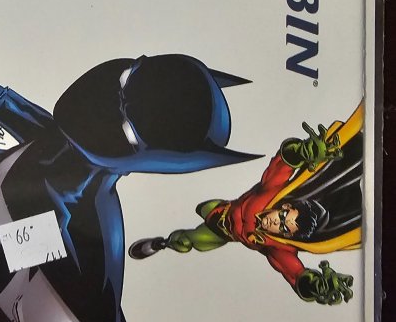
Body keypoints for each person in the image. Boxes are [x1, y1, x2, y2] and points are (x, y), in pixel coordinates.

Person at [0, 34, 260, 322]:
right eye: (127, 77)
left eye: (129, 122)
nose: (110, 99)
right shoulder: (64, 148)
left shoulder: (74, 219)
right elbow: (38, 129)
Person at [130, 106, 362, 306]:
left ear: (287, 235)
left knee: (187, 241)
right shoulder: (272, 191)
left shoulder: (277, 247)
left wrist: (314, 286)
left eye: (283, 227)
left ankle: (162, 243)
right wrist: (302, 151)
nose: (276, 221)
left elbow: (294, 273)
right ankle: (167, 241)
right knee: (203, 210)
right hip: (220, 210)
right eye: (283, 216)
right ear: (285, 207)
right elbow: (282, 162)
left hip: (220, 233)